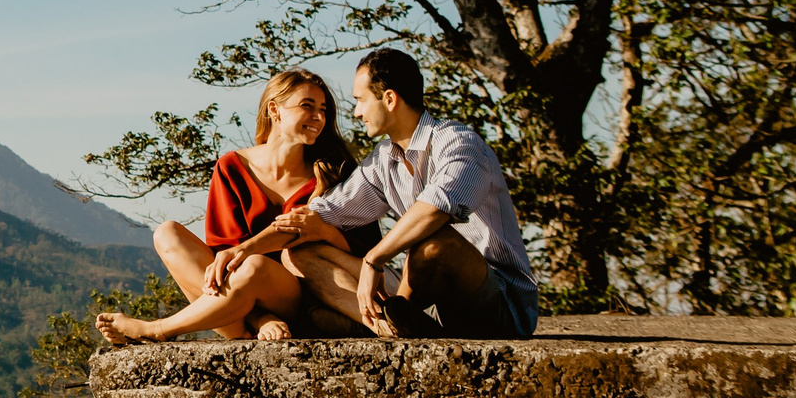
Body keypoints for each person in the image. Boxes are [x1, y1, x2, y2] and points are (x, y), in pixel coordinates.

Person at [272, 49, 540, 339]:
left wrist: (373, 260)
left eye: (360, 100)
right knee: (301, 251)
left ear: (389, 99)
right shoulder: (384, 158)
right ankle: (386, 326)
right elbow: (318, 217)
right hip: (434, 304)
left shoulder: (459, 142)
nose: (356, 112)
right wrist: (242, 252)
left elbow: (437, 207)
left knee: (435, 242)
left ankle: (393, 321)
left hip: (499, 305)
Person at [94, 69, 366, 345]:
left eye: (323, 110)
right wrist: (261, 315)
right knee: (167, 233)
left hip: (307, 294)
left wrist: (321, 232)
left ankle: (158, 329)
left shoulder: (335, 170)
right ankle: (255, 323)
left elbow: (362, 249)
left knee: (255, 266)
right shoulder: (232, 167)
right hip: (240, 292)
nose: (319, 118)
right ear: (274, 109)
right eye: (307, 106)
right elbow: (222, 252)